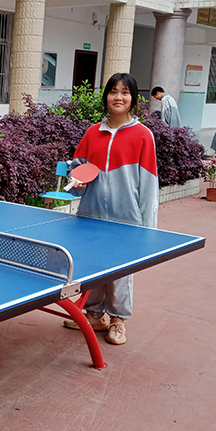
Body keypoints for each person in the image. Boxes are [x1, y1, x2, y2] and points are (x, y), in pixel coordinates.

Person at [63, 73, 159, 345]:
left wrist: (147, 225)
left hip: (125, 218)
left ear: (132, 99)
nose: (118, 97)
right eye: (114, 92)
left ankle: (118, 320)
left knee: (120, 273)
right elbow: (78, 165)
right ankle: (95, 315)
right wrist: (77, 179)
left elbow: (149, 183)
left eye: (125, 93)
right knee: (92, 268)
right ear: (106, 96)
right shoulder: (93, 132)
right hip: (91, 214)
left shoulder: (143, 135)